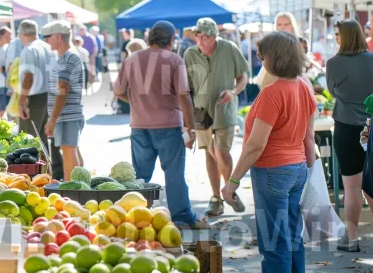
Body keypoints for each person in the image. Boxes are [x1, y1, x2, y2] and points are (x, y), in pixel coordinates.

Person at [222, 31, 316, 273]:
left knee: (274, 240)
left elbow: (256, 145)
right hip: (297, 168)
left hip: (273, 170)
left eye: (263, 57)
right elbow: (309, 136)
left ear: (275, 58)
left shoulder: (272, 93)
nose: (261, 62)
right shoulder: (304, 87)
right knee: (293, 234)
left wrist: (232, 181)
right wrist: (309, 169)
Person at [114, 21, 206, 229]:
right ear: (172, 40)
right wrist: (190, 128)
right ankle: (182, 218)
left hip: (139, 126)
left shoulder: (132, 59)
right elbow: (183, 95)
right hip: (169, 126)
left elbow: (119, 91)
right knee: (174, 175)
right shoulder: (174, 60)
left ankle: (133, 218)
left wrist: (136, 102)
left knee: (139, 177)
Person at [184, 18, 249, 216]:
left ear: (215, 37)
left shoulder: (229, 48)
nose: (201, 41)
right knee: (209, 153)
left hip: (225, 108)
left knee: (221, 151)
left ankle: (230, 190)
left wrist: (234, 91)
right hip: (201, 111)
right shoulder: (189, 54)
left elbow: (243, 76)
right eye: (198, 36)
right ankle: (216, 198)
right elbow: (185, 89)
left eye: (206, 37)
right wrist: (186, 123)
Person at [326, 19, 373, 252]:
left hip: (345, 126)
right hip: (371, 126)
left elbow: (332, 91)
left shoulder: (333, 63)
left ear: (343, 37)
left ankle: (351, 238)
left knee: (351, 187)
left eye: (337, 34)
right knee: (372, 186)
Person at [17, 20, 63, 178]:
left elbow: (28, 77)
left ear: (21, 34)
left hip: (34, 97)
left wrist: (21, 100)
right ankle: (48, 173)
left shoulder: (29, 49)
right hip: (49, 95)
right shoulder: (47, 47)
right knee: (43, 139)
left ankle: (32, 176)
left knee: (29, 139)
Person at [41, 21, 85, 181]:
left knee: (69, 154)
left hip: (68, 116)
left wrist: (52, 119)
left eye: (48, 37)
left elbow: (62, 91)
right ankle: (80, 190)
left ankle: (71, 193)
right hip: (69, 115)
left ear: (58, 37)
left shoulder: (67, 58)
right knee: (73, 153)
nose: (46, 41)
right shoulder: (67, 57)